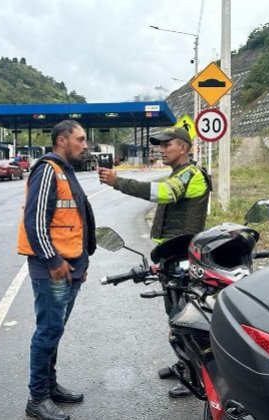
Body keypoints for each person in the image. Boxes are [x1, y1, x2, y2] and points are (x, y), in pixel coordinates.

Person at [97, 126, 210, 398]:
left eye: (167, 144)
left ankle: (197, 376)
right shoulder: (178, 173)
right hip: (171, 257)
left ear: (183, 147)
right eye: (160, 145)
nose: (162, 149)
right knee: (175, 315)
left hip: (184, 258)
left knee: (187, 317)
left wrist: (119, 181)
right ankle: (184, 363)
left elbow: (164, 193)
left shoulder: (191, 175)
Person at [17, 120, 96, 420]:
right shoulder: (48, 170)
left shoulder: (66, 171)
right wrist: (53, 261)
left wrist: (81, 264)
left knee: (55, 330)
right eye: (80, 139)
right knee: (48, 331)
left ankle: (49, 387)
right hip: (51, 268)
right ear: (62, 140)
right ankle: (37, 399)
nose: (85, 145)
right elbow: (35, 221)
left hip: (69, 267)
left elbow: (77, 221)